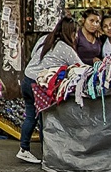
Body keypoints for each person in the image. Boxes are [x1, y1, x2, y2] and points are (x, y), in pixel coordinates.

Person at [18, 16, 82, 164]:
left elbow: (34, 55)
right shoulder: (66, 49)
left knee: (31, 116)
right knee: (43, 118)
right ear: (70, 33)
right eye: (75, 33)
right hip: (39, 84)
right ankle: (46, 152)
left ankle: (24, 148)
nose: (76, 36)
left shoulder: (45, 39)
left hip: (27, 79)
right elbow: (80, 66)